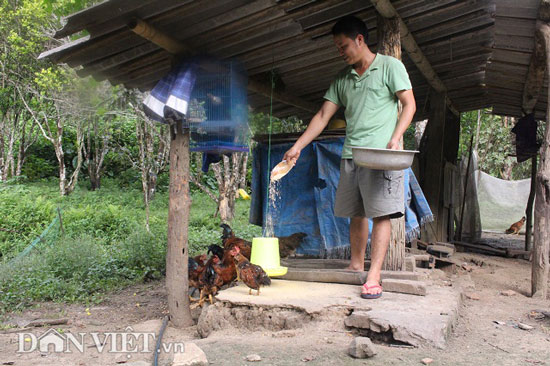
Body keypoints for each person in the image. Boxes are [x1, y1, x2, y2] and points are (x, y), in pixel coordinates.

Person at [283, 15, 416, 299]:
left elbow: (409, 104)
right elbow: (322, 116)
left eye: (343, 46)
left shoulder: (390, 67)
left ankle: (374, 275)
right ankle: (356, 264)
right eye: (337, 48)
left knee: (382, 214)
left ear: (360, 40)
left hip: (382, 155)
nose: (340, 52)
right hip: (352, 154)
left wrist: (396, 137)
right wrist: (298, 146)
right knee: (356, 212)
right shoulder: (342, 79)